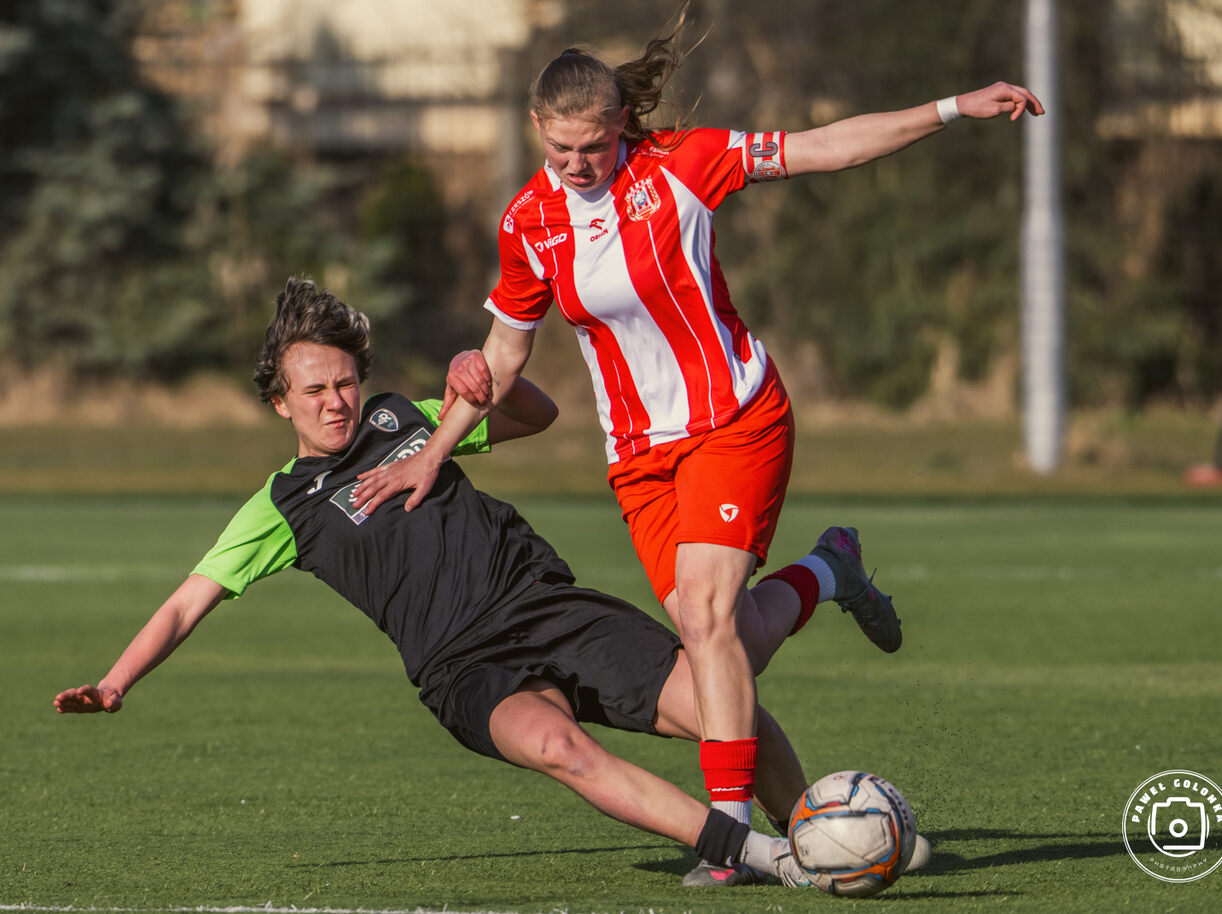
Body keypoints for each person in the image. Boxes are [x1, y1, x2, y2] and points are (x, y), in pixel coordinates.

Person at [349, 4, 1022, 882]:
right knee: (723, 640)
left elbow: (825, 146)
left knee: (705, 622)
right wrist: (434, 451)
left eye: (594, 146)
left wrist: (951, 108)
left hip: (736, 421)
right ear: (537, 127)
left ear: (620, 123)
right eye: (560, 148)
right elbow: (506, 354)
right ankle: (829, 571)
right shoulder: (527, 222)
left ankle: (731, 836)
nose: (577, 164)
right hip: (639, 459)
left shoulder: (684, 164)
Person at [53, 277, 834, 889]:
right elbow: (189, 600)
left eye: (345, 383)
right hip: (463, 666)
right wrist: (116, 683)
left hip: (547, 607)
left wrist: (484, 376)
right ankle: (758, 854)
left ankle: (818, 831)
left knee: (727, 709)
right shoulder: (282, 505)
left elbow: (536, 414)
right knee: (560, 747)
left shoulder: (406, 419)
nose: (335, 403)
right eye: (314, 391)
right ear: (280, 401)